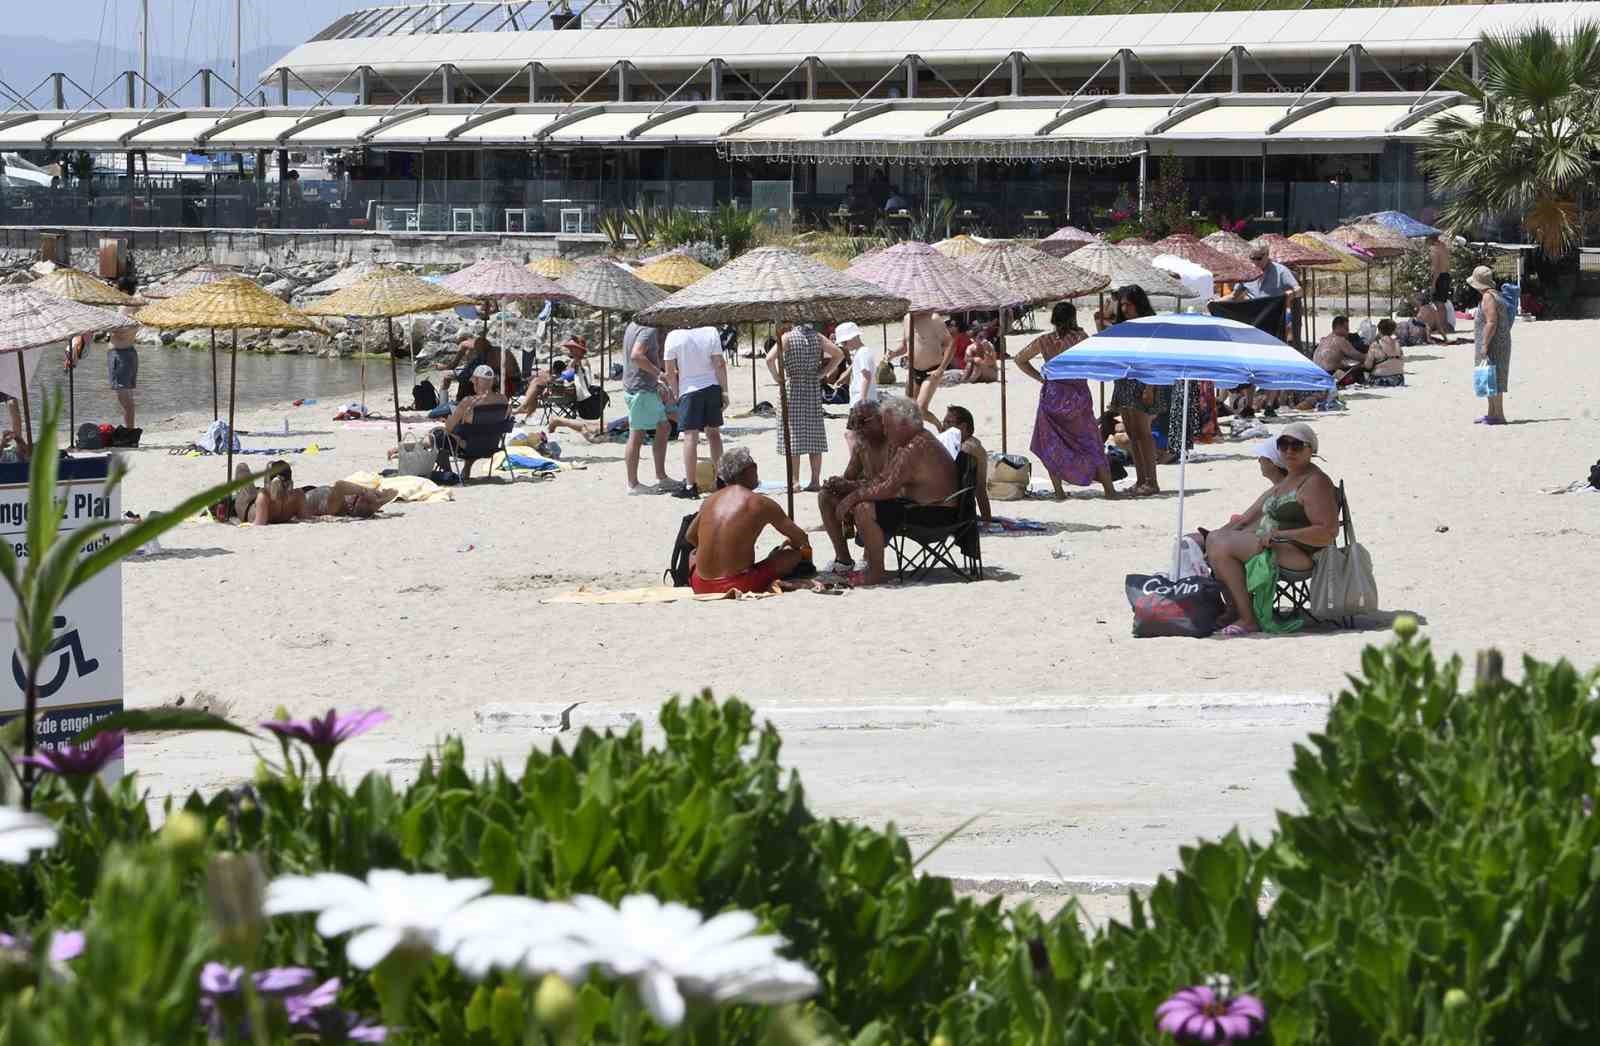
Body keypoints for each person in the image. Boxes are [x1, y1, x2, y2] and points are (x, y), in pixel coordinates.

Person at [1203, 422, 1338, 637]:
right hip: (1279, 546)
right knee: (1214, 538)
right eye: (1283, 445)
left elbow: (1327, 532)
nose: (1288, 450)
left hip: (1302, 555)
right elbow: (1249, 517)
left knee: (1221, 545)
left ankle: (1248, 620)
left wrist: (1280, 535)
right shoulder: (1291, 477)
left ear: (1311, 450)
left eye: (1297, 446)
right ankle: (1236, 610)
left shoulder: (1315, 482)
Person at [834, 394, 958, 587]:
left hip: (938, 514)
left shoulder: (916, 446)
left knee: (865, 509)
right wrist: (855, 492)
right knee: (865, 504)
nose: (885, 431)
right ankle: (871, 566)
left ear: (904, 424)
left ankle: (876, 572)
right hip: (932, 508)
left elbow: (889, 488)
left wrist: (852, 498)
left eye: (887, 426)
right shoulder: (915, 441)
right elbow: (885, 479)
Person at [1015, 301, 1120, 500]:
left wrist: (1040, 377)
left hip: (1053, 395)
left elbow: (1020, 359)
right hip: (1078, 395)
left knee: (1050, 443)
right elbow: (1098, 358)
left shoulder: (1044, 340)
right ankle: (1109, 490)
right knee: (1091, 442)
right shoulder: (1080, 338)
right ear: (1073, 318)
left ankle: (1059, 492)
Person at [685, 447, 812, 595]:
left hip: (699, 584)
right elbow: (802, 539)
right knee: (792, 556)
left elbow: (690, 536)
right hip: (739, 583)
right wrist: (792, 546)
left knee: (694, 554)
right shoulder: (759, 503)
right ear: (750, 469)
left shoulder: (710, 499)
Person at [1101, 286, 1165, 496]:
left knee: (1143, 434)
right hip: (1124, 382)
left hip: (1143, 381)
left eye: (1129, 303)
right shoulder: (1123, 326)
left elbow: (1155, 359)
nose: (1125, 308)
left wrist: (1150, 387)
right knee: (1132, 434)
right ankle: (1140, 480)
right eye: (1123, 304)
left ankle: (1151, 481)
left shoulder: (1150, 326)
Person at [766, 322, 842, 492]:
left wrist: (777, 377)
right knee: (814, 434)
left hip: (793, 386)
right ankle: (815, 481)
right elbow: (839, 354)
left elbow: (769, 359)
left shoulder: (787, 338)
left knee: (794, 434)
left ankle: (795, 481)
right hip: (812, 387)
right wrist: (823, 373)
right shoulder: (817, 337)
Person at [818, 401, 891, 573]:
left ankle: (869, 556)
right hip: (869, 492)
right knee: (825, 496)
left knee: (863, 506)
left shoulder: (893, 442)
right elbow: (850, 475)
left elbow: (889, 483)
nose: (858, 428)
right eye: (854, 423)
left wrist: (849, 485)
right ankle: (843, 559)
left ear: (880, 419)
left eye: (863, 422)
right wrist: (836, 483)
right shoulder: (862, 445)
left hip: (893, 499)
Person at [664, 325, 728, 500]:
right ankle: (720, 480)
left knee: (690, 437)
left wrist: (676, 393)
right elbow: (719, 364)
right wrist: (724, 391)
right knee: (714, 435)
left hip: (689, 389)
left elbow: (670, 371)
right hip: (712, 386)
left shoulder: (673, 335)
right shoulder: (711, 332)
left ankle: (691, 485)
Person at [621, 319, 679, 494]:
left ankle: (661, 477)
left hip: (639, 387)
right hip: (641, 389)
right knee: (637, 434)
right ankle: (633, 484)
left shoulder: (633, 325)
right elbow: (637, 355)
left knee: (664, 427)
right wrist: (659, 374)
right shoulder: (648, 329)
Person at [432, 364, 507, 480]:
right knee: (476, 433)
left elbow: (449, 428)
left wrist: (447, 419)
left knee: (436, 435)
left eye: (473, 381)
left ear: (477, 381)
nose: (472, 384)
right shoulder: (503, 400)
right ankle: (466, 469)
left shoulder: (468, 402)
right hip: (491, 446)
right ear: (492, 382)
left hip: (469, 448)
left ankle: (449, 473)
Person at [1469, 265, 1511, 425]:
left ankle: (1499, 414)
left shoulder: (1488, 297)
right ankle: (1492, 413)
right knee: (1490, 376)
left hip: (1493, 342)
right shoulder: (1495, 294)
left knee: (1494, 377)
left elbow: (1491, 322)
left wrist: (1484, 344)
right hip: (1498, 341)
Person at [940, 404, 992, 523]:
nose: (943, 426)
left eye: (948, 423)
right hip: (960, 514)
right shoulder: (976, 449)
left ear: (962, 427)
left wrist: (987, 519)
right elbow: (980, 489)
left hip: (947, 512)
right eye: (944, 422)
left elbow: (980, 489)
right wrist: (987, 520)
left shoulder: (972, 450)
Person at [891, 312, 954, 396]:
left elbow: (950, 344)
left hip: (932, 371)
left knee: (921, 407)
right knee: (909, 405)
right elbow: (905, 346)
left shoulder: (933, 318)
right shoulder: (907, 318)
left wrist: (941, 368)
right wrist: (893, 354)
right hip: (913, 370)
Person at [107, 309, 138, 429]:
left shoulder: (125, 309)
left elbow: (122, 332)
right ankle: (130, 429)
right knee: (126, 395)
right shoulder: (134, 308)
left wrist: (108, 326)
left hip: (121, 355)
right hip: (127, 352)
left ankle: (130, 431)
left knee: (123, 395)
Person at [835, 322, 877, 408]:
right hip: (862, 399)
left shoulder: (863, 353)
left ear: (852, 338)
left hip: (862, 400)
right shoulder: (860, 352)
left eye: (844, 343)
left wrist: (862, 401)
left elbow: (867, 377)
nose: (844, 346)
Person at [1363, 318, 1405, 387]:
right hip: (1399, 379)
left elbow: (1368, 365)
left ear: (1379, 330)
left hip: (1382, 379)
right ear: (1393, 331)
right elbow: (1402, 361)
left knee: (1364, 374)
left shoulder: (1376, 344)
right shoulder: (1397, 343)